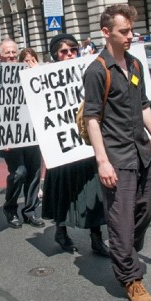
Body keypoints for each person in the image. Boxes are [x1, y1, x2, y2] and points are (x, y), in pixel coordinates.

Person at [83, 4, 151, 301]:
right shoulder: (96, 70)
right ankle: (131, 278)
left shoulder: (135, 66)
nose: (131, 35)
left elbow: (144, 106)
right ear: (106, 33)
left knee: (144, 212)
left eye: (132, 29)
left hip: (142, 152)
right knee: (120, 221)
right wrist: (102, 160)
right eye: (124, 31)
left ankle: (125, 250)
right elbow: (91, 118)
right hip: (117, 158)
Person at [41, 34, 110, 257]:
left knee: (93, 194)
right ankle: (61, 231)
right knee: (63, 192)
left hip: (85, 146)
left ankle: (96, 239)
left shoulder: (89, 71)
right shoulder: (43, 80)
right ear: (55, 54)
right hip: (61, 149)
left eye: (73, 49)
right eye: (64, 51)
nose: (70, 54)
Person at [0, 38, 44, 229]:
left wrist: (37, 73)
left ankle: (30, 211)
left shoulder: (27, 72)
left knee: (33, 172)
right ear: (0, 54)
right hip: (10, 134)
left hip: (32, 132)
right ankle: (10, 208)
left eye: (13, 52)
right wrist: (1, 136)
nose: (10, 56)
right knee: (19, 173)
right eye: (6, 52)